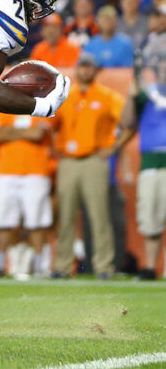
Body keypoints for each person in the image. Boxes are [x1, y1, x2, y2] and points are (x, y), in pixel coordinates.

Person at [51, 52, 123, 279]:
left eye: (89, 67)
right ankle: (63, 266)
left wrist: (114, 147)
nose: (85, 70)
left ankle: (104, 266)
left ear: (96, 70)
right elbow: (50, 125)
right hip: (69, 161)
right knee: (65, 217)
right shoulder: (66, 96)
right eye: (82, 66)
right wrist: (56, 148)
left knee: (99, 215)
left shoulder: (107, 96)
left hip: (94, 160)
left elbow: (126, 120)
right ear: (77, 69)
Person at [116, 55, 166, 279]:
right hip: (152, 163)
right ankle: (149, 267)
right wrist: (131, 96)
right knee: (151, 218)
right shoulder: (147, 93)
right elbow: (127, 122)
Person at [0, 111, 54, 279]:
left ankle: (40, 265)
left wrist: (10, 132)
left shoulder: (42, 105)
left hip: (36, 170)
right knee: (3, 221)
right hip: (6, 170)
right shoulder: (2, 106)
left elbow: (38, 133)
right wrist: (27, 133)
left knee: (37, 221)